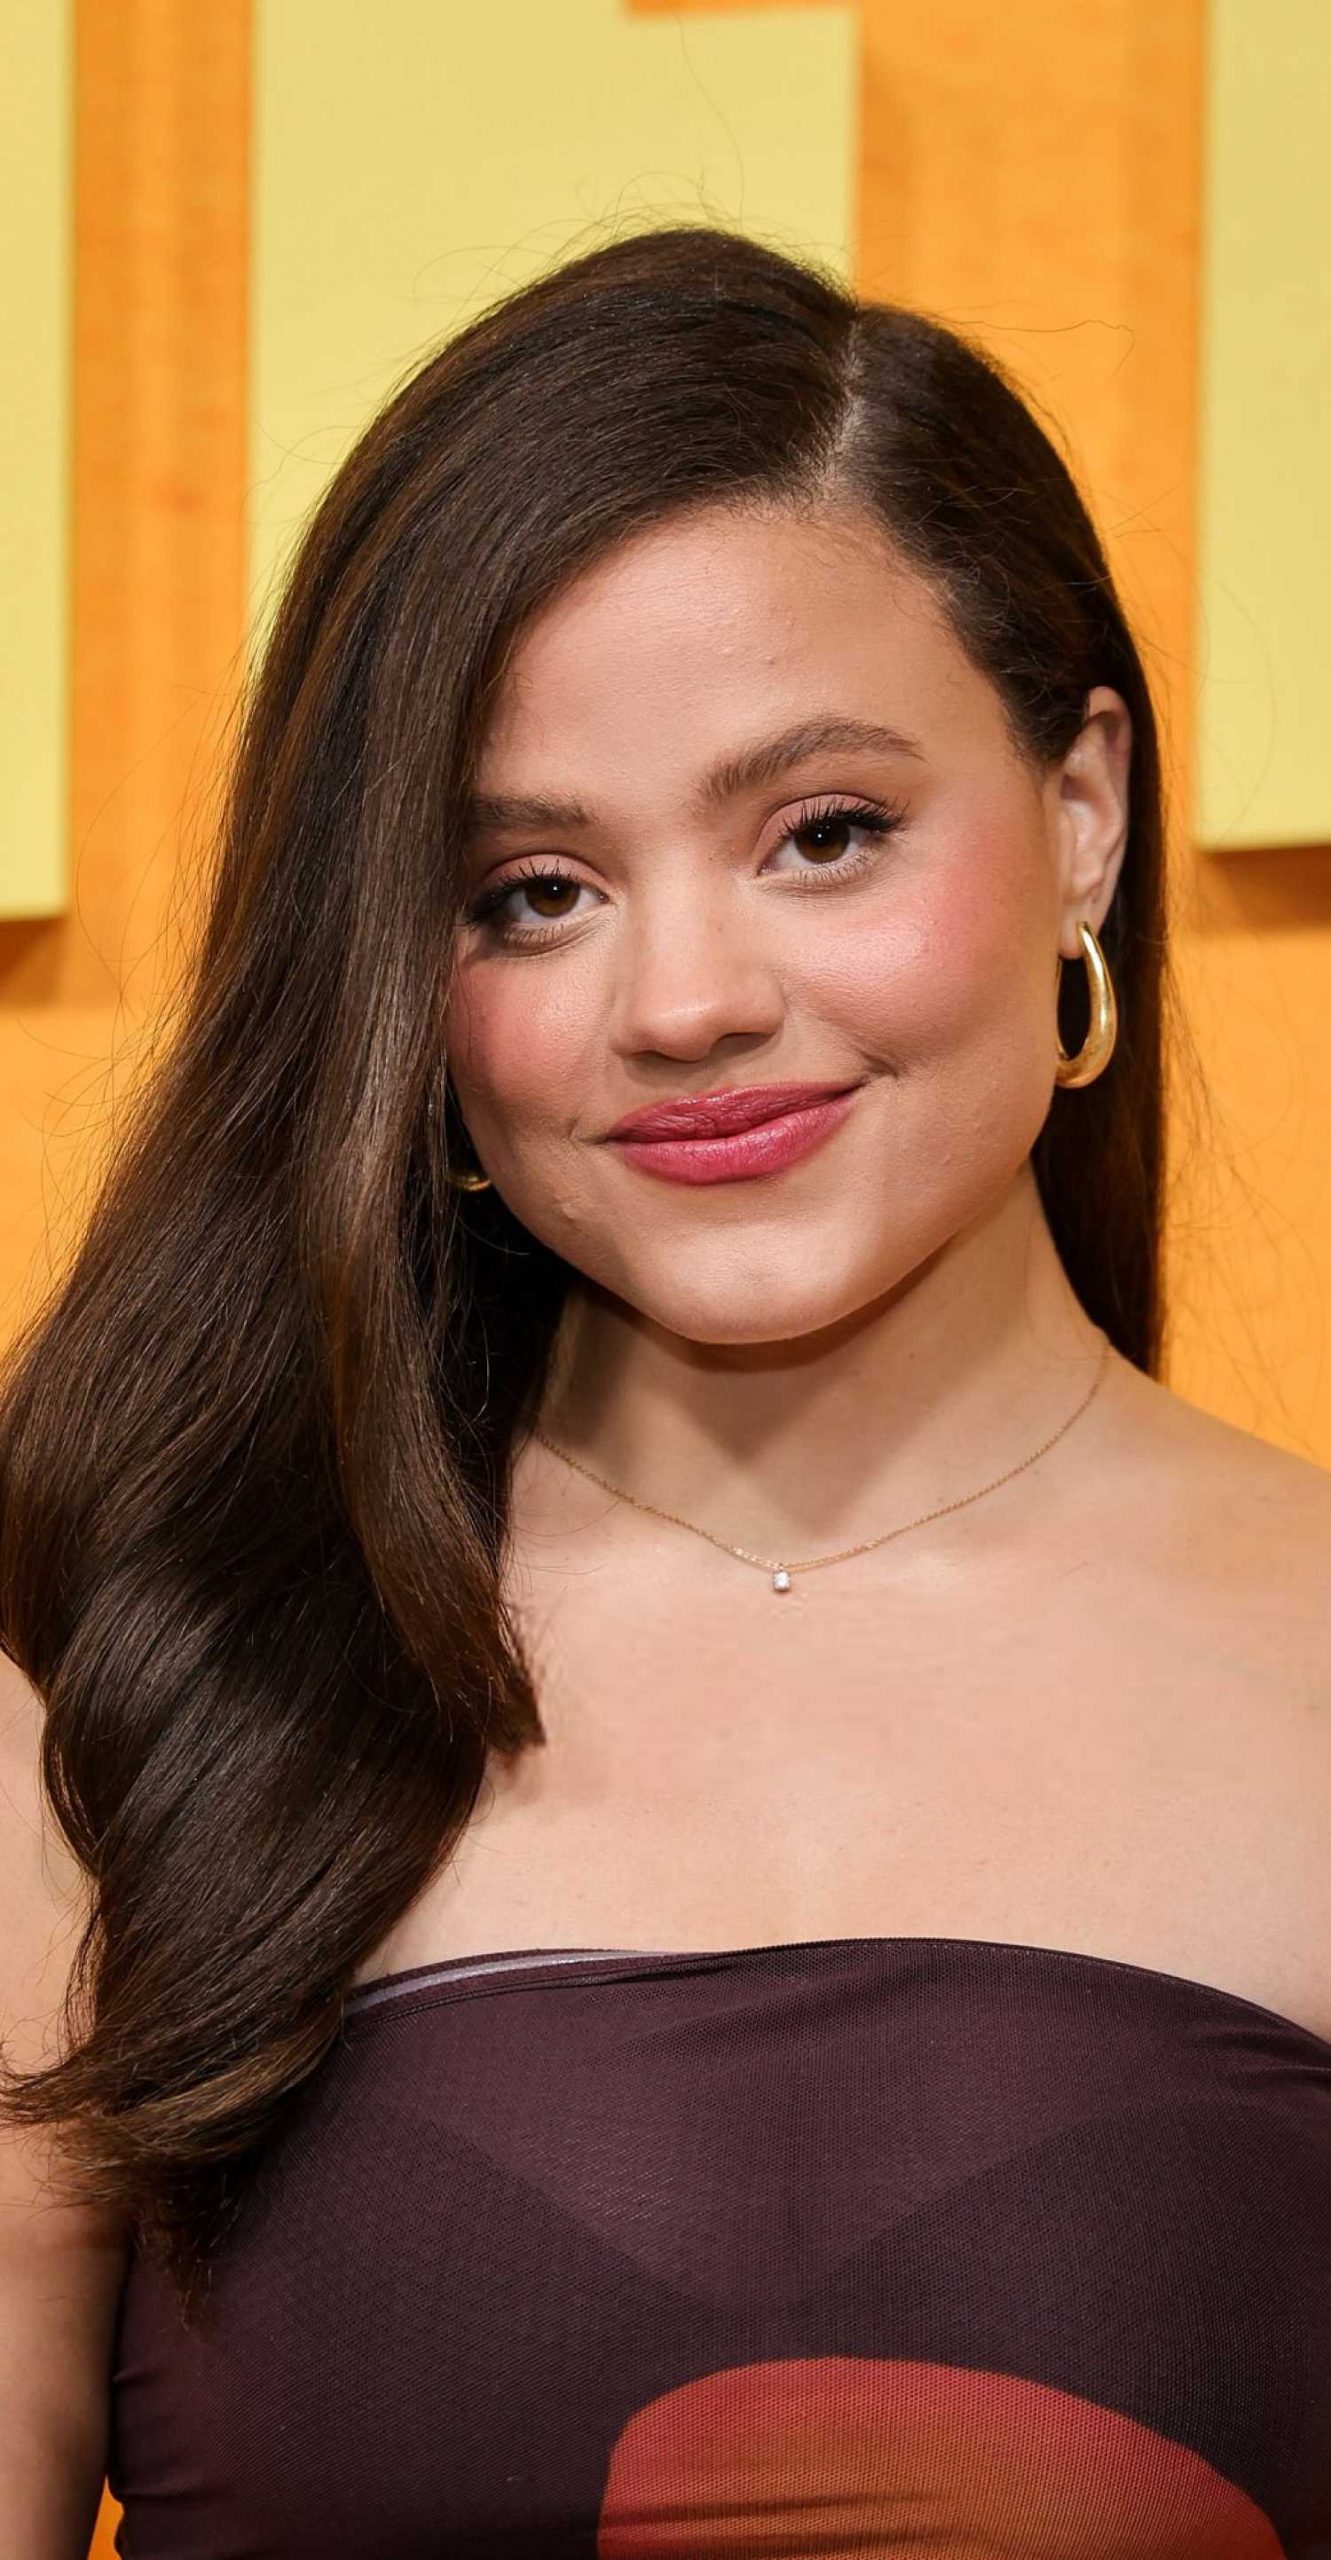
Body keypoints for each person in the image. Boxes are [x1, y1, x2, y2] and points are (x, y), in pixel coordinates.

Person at [2, 222, 1329, 2558]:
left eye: (825, 832)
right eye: (533, 888)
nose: (686, 999)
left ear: (1084, 810)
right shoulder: (120, 1666)